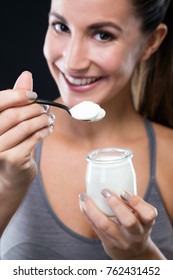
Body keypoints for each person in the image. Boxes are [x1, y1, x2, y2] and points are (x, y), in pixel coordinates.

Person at [0, 0, 173, 260]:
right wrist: (7, 186)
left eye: (103, 35)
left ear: (151, 42)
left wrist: (141, 257)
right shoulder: (7, 147)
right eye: (61, 26)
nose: (72, 62)